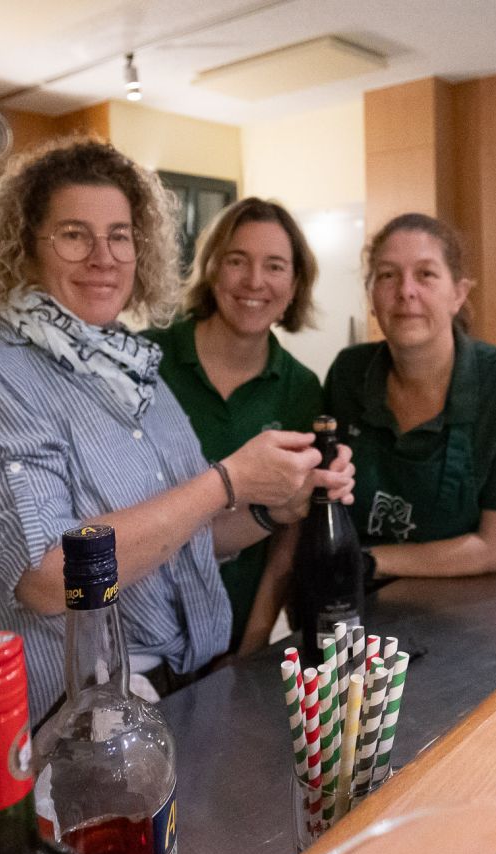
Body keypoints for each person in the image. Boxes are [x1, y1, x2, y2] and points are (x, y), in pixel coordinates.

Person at [0, 137, 353, 724]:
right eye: (73, 235)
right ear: (23, 248)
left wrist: (273, 508)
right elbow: (48, 576)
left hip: (175, 692)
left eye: (119, 236)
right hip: (63, 722)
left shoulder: (135, 371)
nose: (103, 257)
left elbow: (181, 539)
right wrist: (227, 482)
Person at [324, 213, 496, 582]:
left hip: (461, 600)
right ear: (371, 296)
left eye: (426, 274)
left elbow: (494, 549)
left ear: (458, 294)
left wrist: (364, 561)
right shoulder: (348, 373)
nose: (406, 291)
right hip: (352, 595)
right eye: (387, 275)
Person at [144, 198, 321, 655]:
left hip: (234, 633)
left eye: (275, 266)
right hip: (139, 635)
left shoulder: (301, 389)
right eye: (237, 261)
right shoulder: (146, 360)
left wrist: (251, 645)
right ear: (212, 270)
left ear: (295, 284)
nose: (254, 281)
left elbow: (288, 534)